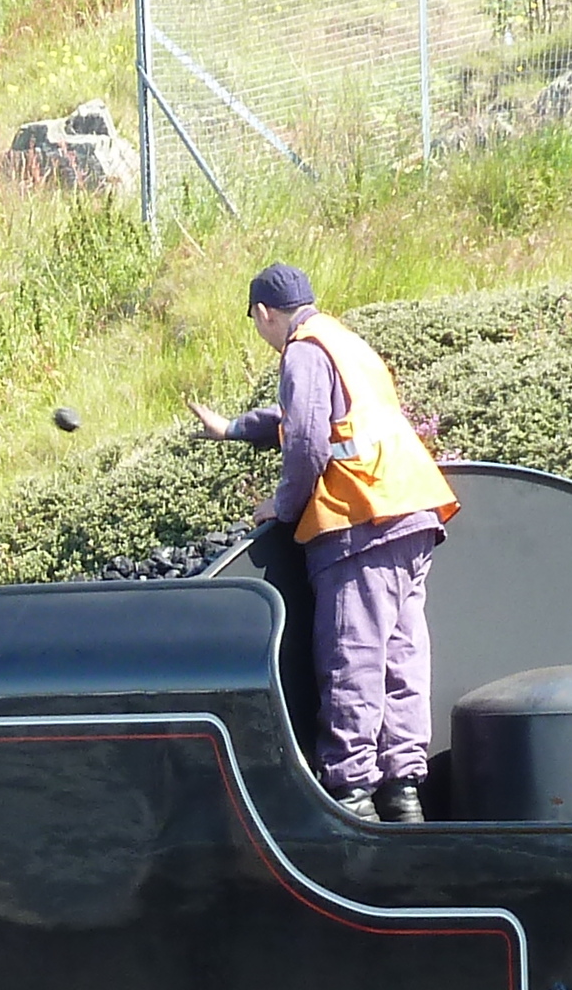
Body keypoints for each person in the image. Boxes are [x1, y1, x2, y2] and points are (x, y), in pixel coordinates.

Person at [190, 264, 458, 822]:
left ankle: (353, 798)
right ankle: (403, 792)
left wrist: (283, 506)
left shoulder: (302, 351)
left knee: (352, 655)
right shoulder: (343, 342)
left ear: (264, 313)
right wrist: (234, 428)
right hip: (411, 509)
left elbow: (308, 440)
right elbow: (308, 419)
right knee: (401, 656)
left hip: (359, 519)